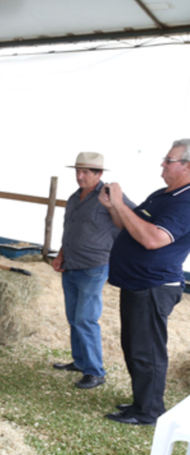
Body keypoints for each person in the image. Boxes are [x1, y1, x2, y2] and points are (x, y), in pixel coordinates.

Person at [99, 139, 190, 426]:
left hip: (154, 285)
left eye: (169, 160)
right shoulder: (163, 195)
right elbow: (128, 226)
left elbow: (153, 239)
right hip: (138, 283)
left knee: (147, 350)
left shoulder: (187, 201)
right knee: (134, 346)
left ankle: (149, 411)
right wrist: (114, 207)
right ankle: (142, 402)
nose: (162, 164)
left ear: (187, 166)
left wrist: (121, 203)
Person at [51, 152, 132, 389]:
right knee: (73, 317)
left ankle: (96, 372)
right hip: (71, 264)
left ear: (99, 174)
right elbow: (69, 229)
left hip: (94, 266)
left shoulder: (110, 196)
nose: (80, 176)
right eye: (77, 171)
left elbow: (132, 218)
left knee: (86, 318)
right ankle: (80, 361)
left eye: (86, 171)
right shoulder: (74, 198)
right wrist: (61, 254)